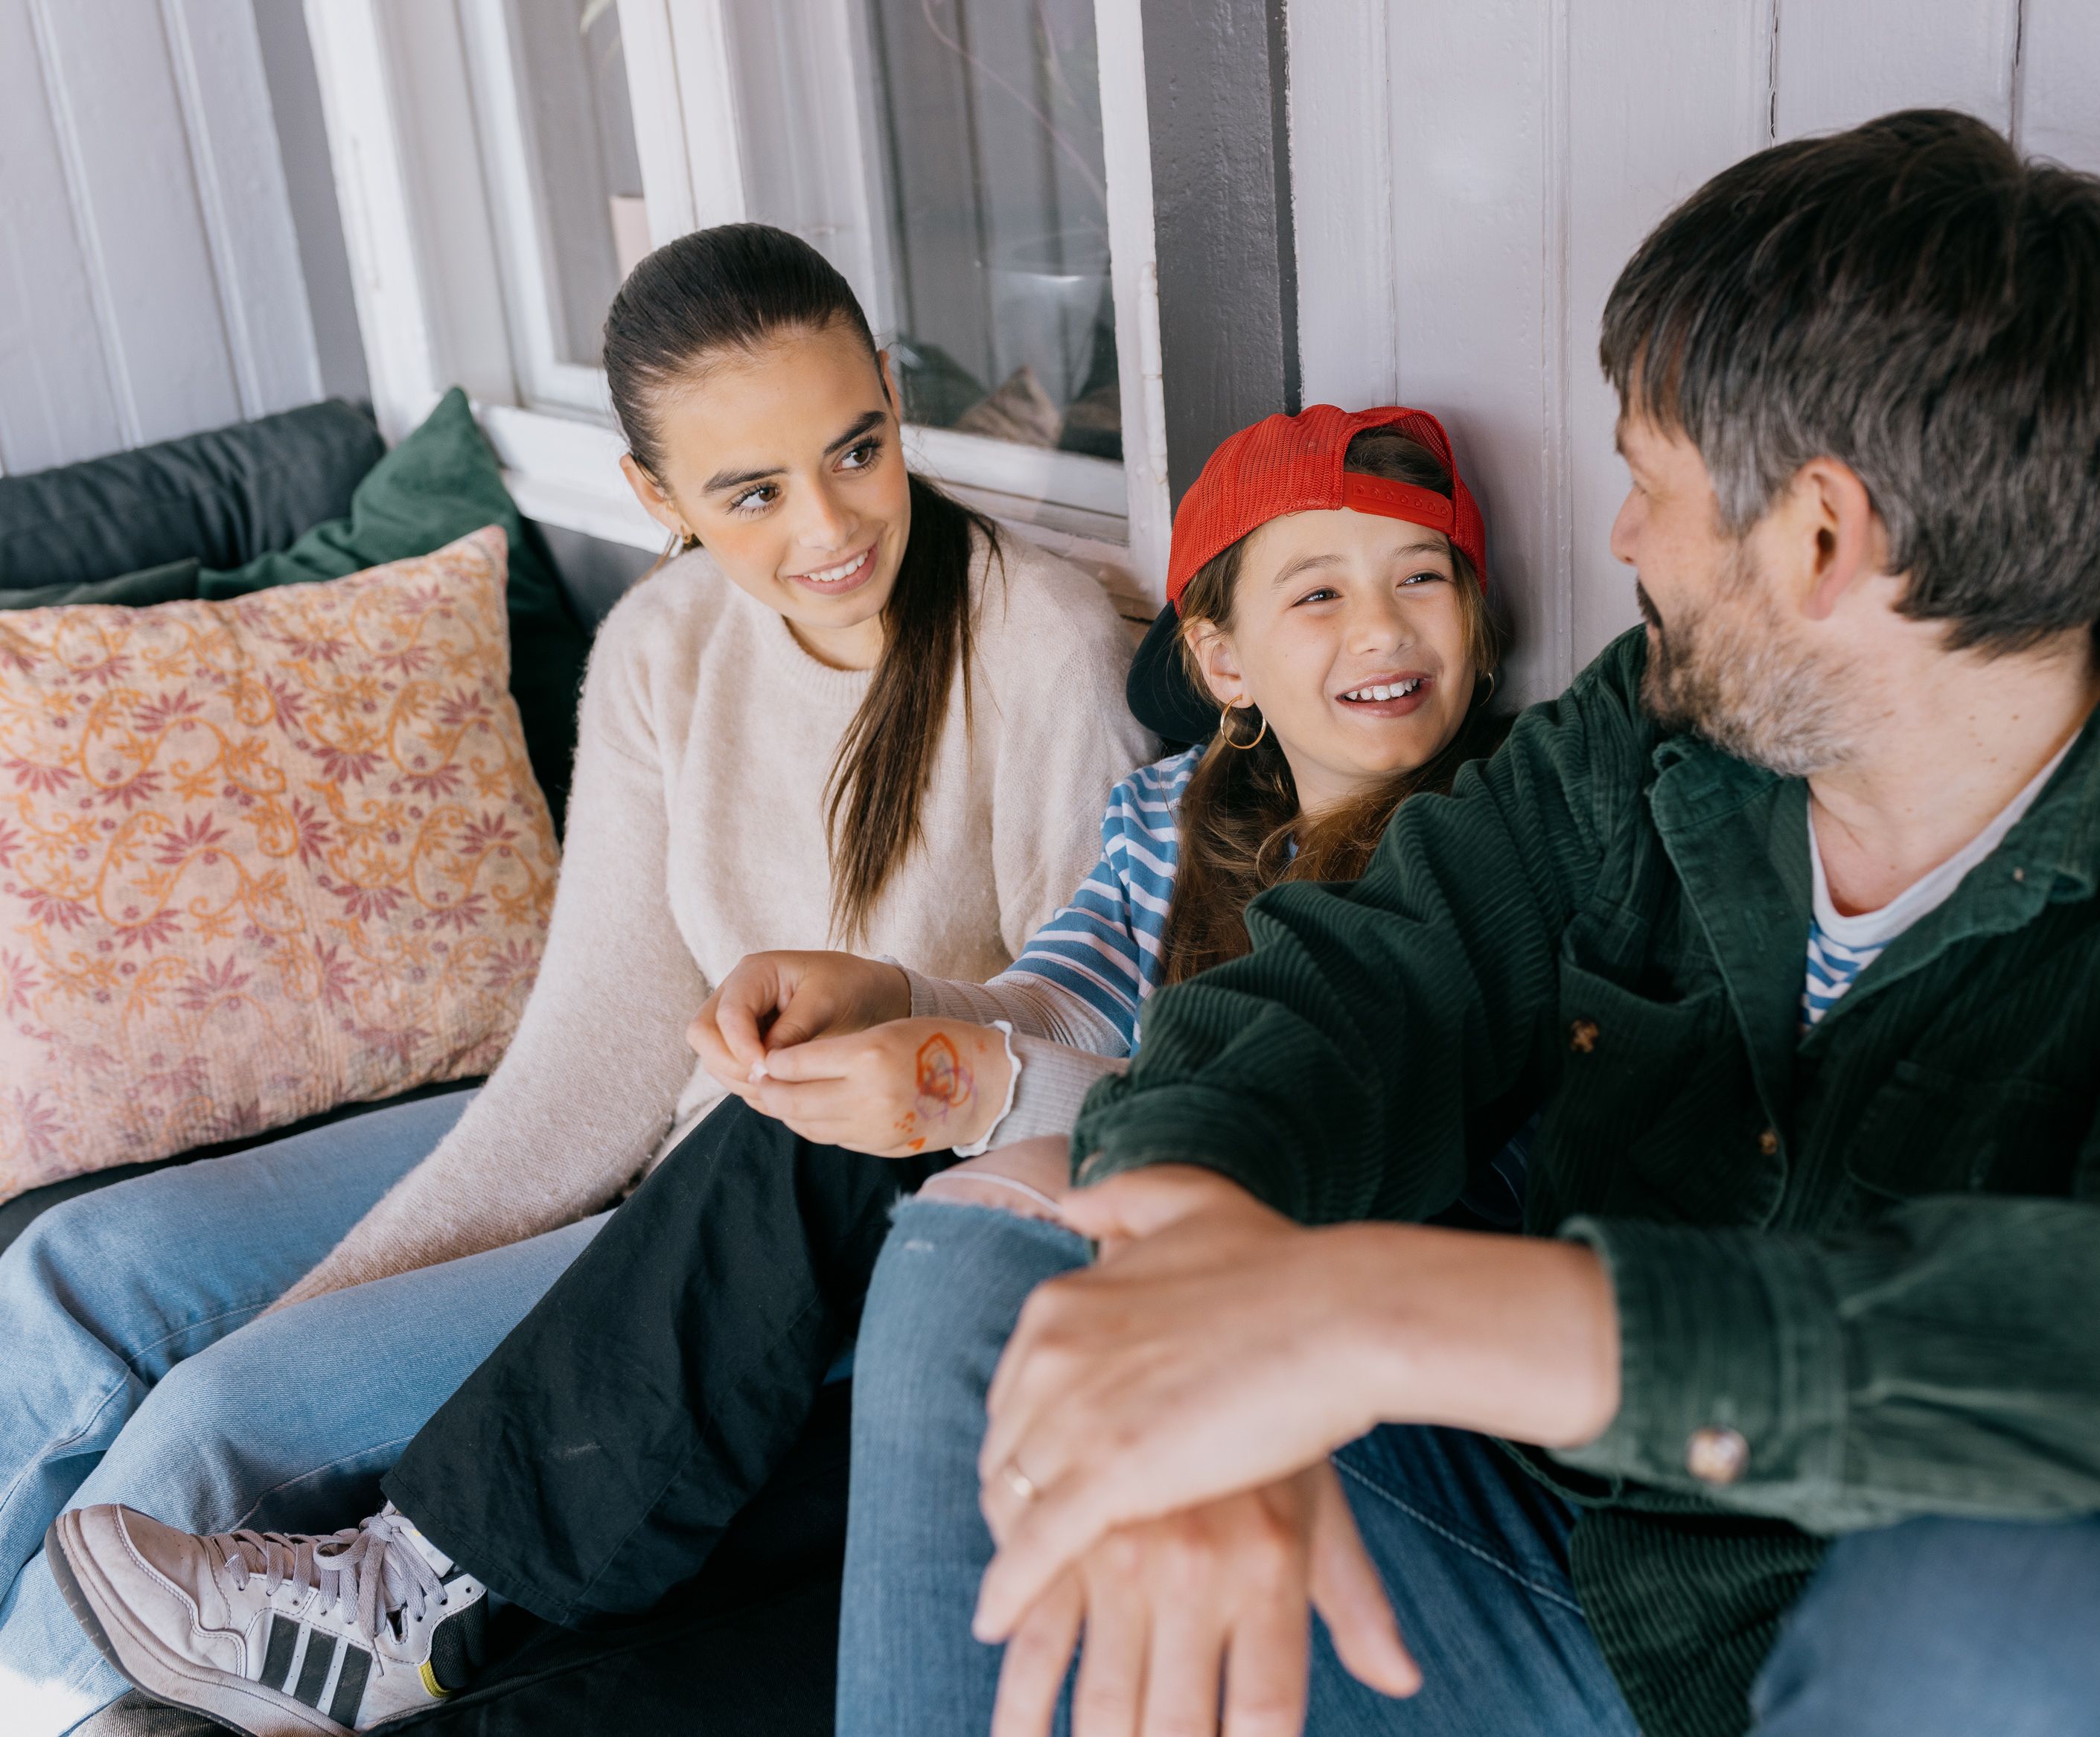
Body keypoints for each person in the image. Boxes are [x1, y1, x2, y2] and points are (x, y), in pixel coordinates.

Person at [817, 109, 2100, 1737]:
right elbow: (1350, 991)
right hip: (1587, 1602)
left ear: (1824, 538)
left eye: (1651, 482)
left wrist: (1362, 1318)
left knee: (2020, 1630)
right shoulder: (1647, 734)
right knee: (1004, 1261)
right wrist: (1197, 1283)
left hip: (1964, 1675)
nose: (1620, 538)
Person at [39, 406, 1520, 1736]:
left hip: (1201, 1317)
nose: (1379, 631)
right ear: (1221, 659)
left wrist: (963, 1082)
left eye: (1421, 579)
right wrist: (890, 1002)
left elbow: (1265, 1130)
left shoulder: (1484, 858)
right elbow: (1053, 1004)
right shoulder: (1172, 814)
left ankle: (417, 1580)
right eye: (1318, 593)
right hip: (1007, 1291)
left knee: (754, 1444)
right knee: (717, 1434)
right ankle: (401, 1616)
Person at [0, 223, 1151, 1735]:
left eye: (857, 446)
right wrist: (342, 1294)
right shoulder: (664, 642)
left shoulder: (1042, 641)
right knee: (79, 1272)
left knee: (223, 1418)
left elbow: (1078, 1036)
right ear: (655, 500)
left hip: (802, 1207)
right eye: (751, 491)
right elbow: (588, 1060)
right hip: (645, 1126)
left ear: (888, 392)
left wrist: (292, 1349)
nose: (830, 523)